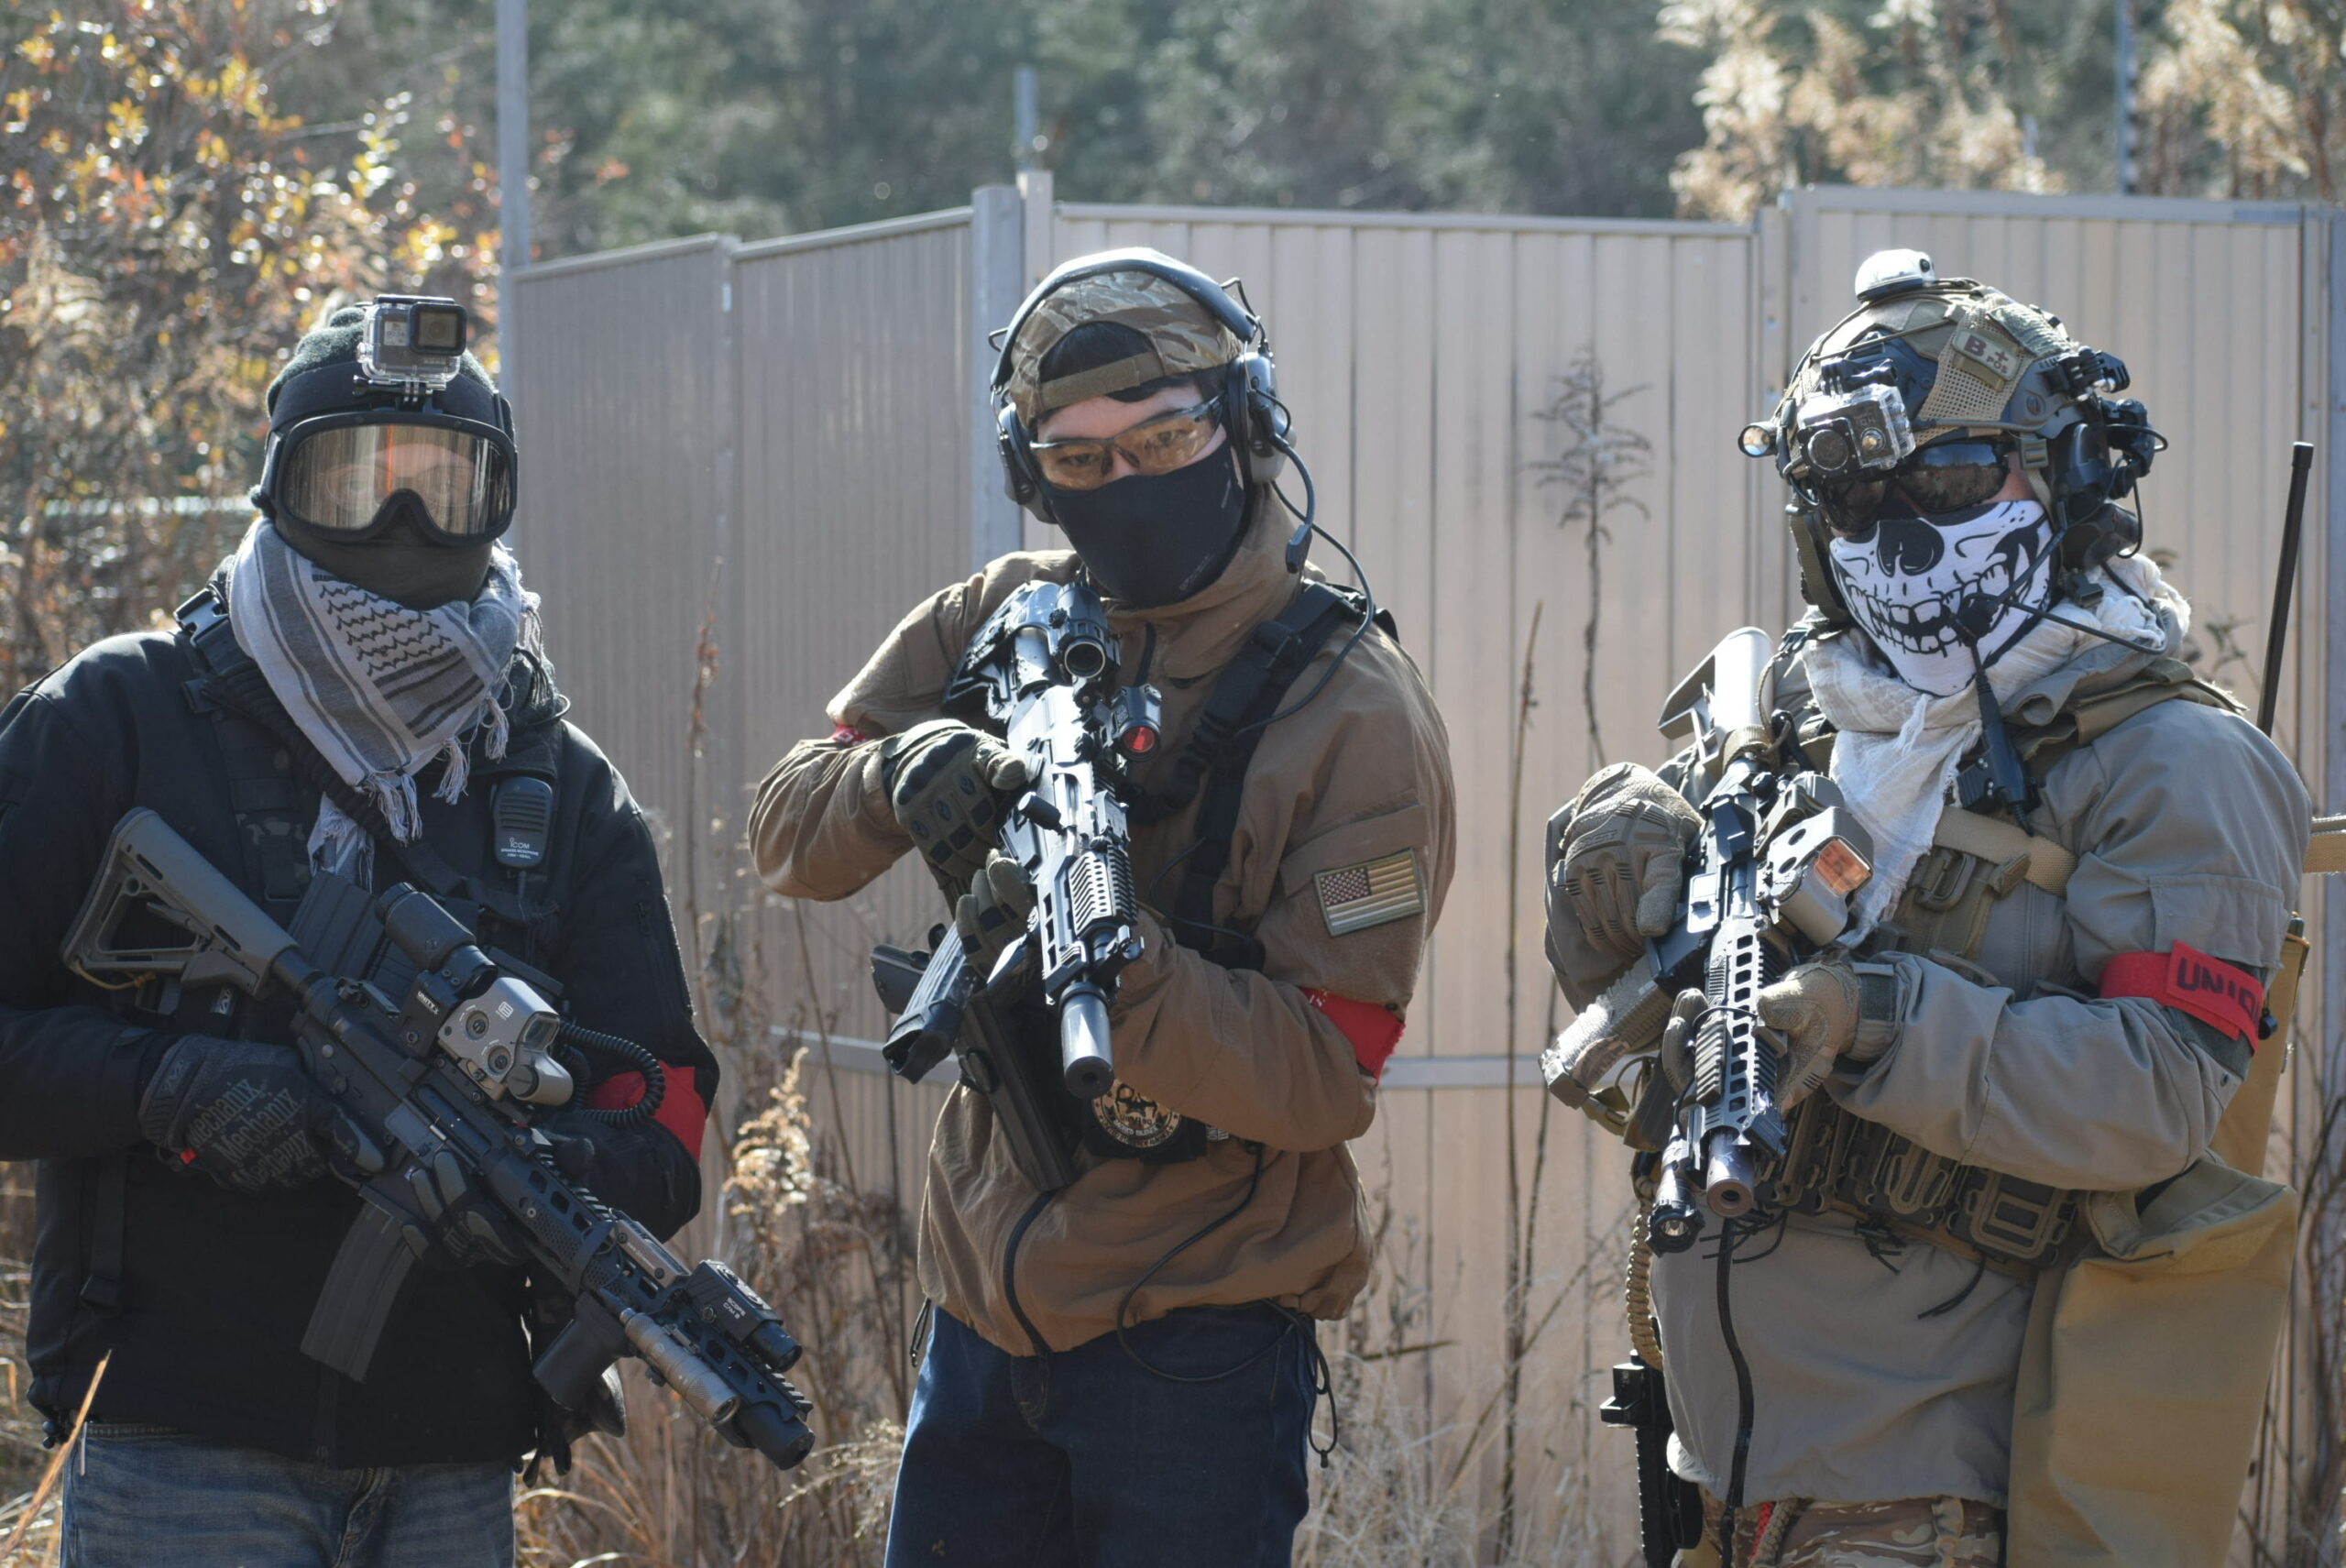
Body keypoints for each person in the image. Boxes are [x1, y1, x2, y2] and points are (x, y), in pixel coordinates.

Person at [1543, 251, 2308, 1566]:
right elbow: (1655, 1042)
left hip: (1945, 1500)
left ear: (2063, 476)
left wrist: (1876, 1018)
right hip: (1726, 1479)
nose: (1899, 534)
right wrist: (1613, 893)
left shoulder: (2173, 762)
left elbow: (2162, 1091)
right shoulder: (1809, 721)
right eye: (1855, 496)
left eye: (1950, 479)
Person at [750, 248, 1454, 1567]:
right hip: (981, 1329)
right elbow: (787, 835)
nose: (1126, 480)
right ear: (1033, 475)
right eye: (1079, 460)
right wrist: (898, 778)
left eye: (1166, 439)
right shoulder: (1000, 614)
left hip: (1194, 1351)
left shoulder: (1353, 706)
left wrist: (1119, 967)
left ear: (1246, 426)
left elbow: (1325, 1076)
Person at [0, 298, 718, 1567]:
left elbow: (665, 1108)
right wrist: (171, 1087)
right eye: (358, 479)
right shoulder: (117, 717)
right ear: (283, 487)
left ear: (497, 502)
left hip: (451, 1457)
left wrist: (530, 1173)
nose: (403, 521)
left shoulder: (551, 779)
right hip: (177, 1446)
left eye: (444, 485)